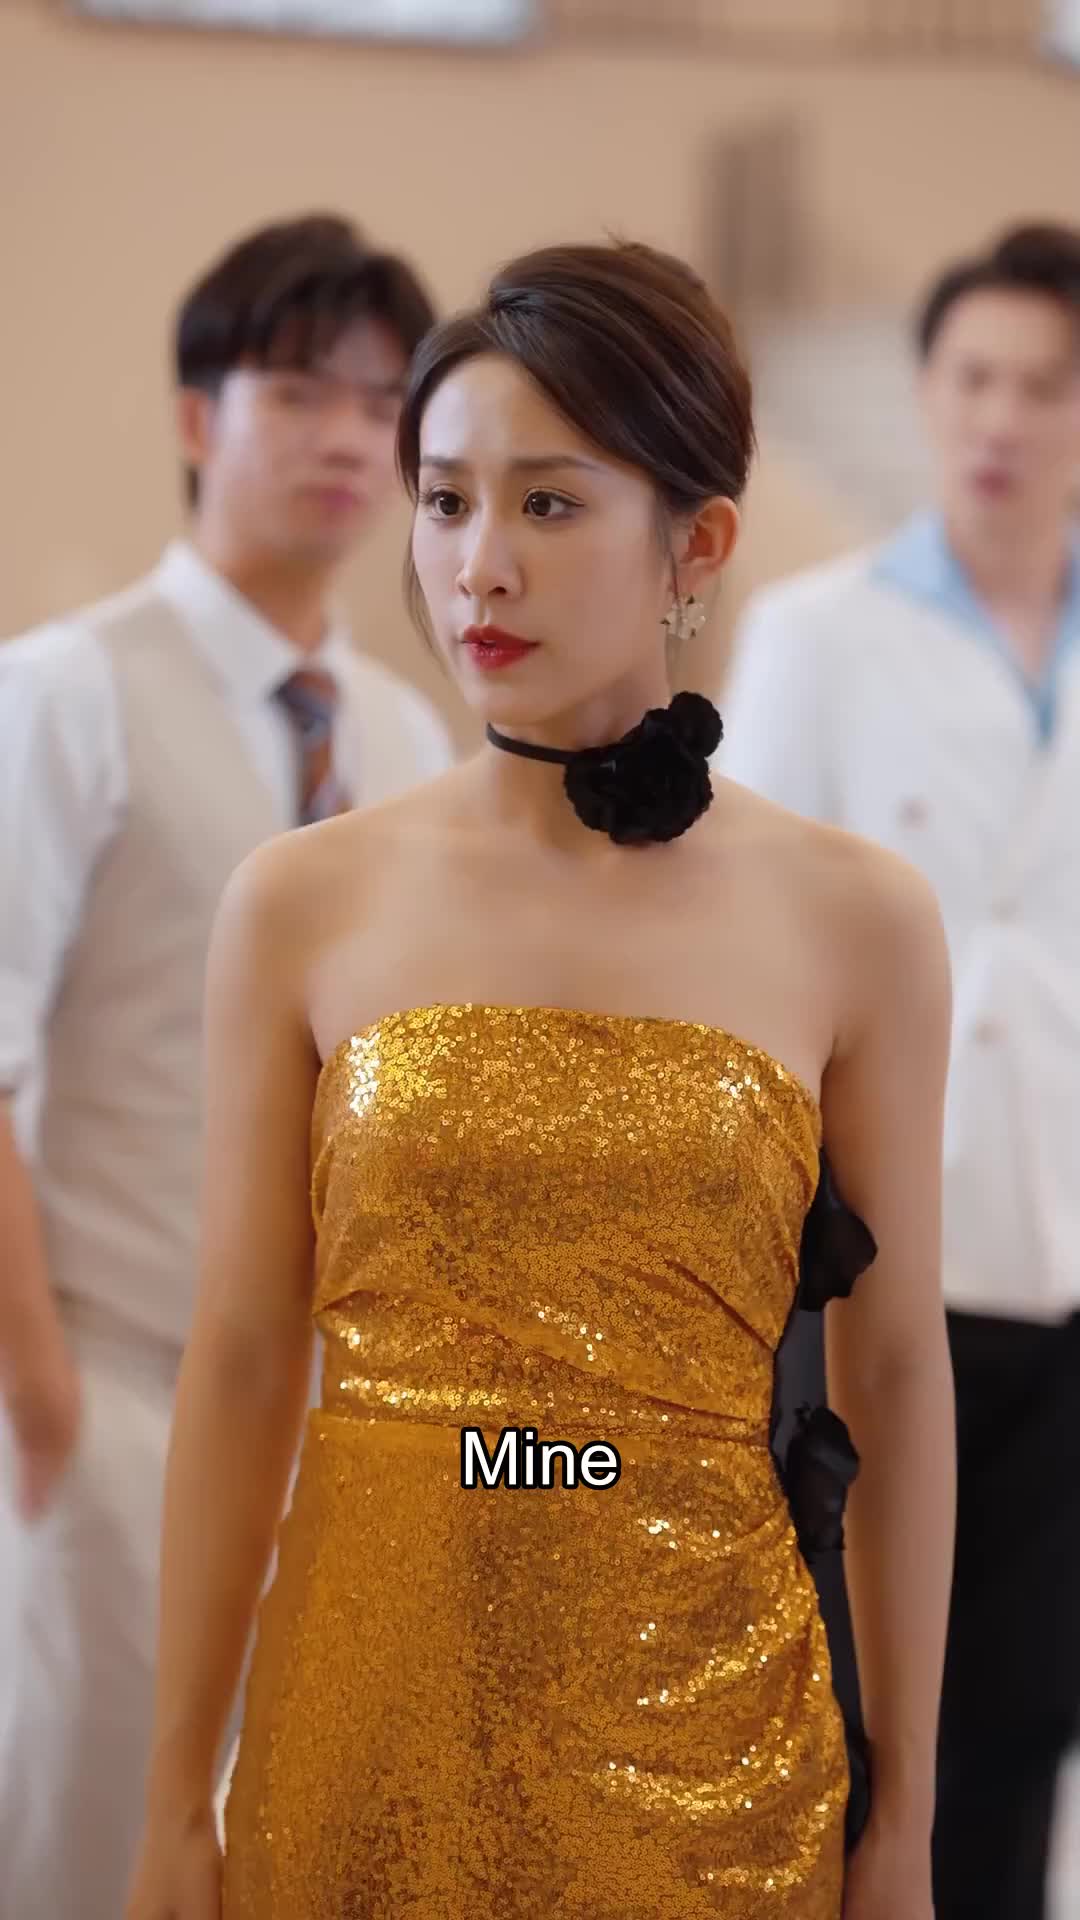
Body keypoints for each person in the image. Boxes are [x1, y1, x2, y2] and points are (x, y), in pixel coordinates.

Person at [126, 238, 954, 1920]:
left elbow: (896, 1373)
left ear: (696, 545)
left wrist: (906, 1826)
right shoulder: (300, 903)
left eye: (550, 504)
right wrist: (170, 1808)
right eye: (444, 502)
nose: (476, 567)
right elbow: (242, 1356)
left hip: (716, 1769)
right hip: (356, 1749)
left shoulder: (858, 920)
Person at [0, 211, 453, 1920]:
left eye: (381, 402)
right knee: (91, 1842)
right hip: (115, 1386)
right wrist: (40, 1398)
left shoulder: (406, 732)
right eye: (298, 391)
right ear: (199, 418)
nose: (348, 437)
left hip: (339, 1423)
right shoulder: (65, 693)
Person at [721, 221, 1080, 1920]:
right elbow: (746, 945)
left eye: (1045, 385)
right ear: (927, 395)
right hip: (878, 1267)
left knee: (1023, 1730)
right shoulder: (819, 634)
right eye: (973, 378)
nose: (1002, 417)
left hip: (1067, 1263)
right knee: (851, 1718)